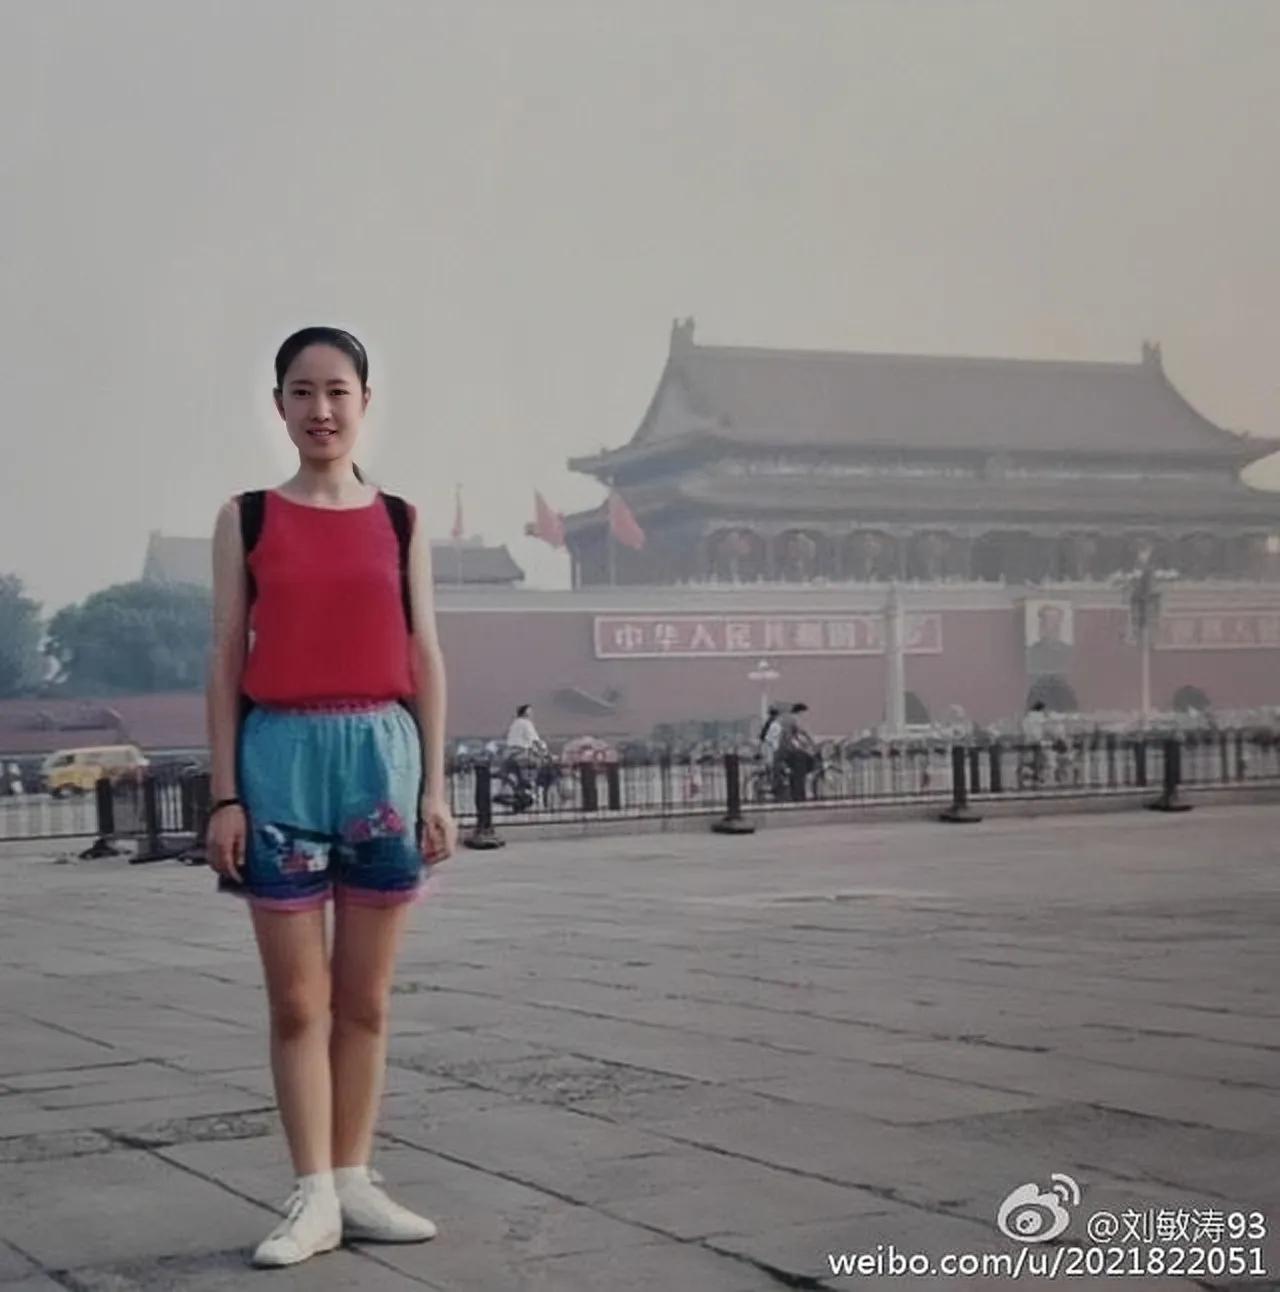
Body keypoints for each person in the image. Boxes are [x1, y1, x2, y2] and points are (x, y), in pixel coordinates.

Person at [204, 326, 458, 1269]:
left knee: (367, 999)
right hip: (278, 760)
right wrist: (224, 796)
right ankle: (311, 1190)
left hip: (382, 761)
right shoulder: (248, 518)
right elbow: (225, 655)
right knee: (298, 1002)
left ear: (364, 402)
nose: (321, 409)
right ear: (279, 406)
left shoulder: (400, 519)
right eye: (302, 391)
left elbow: (425, 653)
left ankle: (354, 1180)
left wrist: (435, 787)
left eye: (337, 390)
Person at [502, 704, 547, 806]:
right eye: (530, 712)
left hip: (510, 754)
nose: (532, 714)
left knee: (515, 773)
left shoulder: (514, 723)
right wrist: (544, 752)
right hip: (522, 753)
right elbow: (535, 739)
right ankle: (533, 788)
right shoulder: (526, 723)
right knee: (539, 766)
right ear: (525, 713)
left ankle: (516, 790)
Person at [779, 702, 817, 801]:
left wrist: (803, 744)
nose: (805, 717)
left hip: (784, 750)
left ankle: (794, 793)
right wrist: (813, 743)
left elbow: (793, 737)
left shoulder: (786, 720)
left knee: (795, 772)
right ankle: (800, 795)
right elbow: (805, 732)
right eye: (805, 714)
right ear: (800, 712)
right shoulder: (795, 719)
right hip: (792, 751)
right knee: (805, 766)